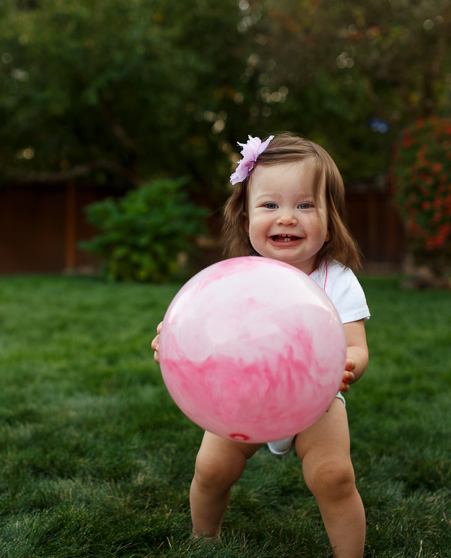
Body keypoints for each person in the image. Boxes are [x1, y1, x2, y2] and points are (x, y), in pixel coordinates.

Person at [151, 133, 370, 557]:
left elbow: (356, 347)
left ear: (330, 220)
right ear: (245, 216)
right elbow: (200, 330)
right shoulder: (231, 280)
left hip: (317, 402)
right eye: (270, 205)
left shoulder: (335, 280)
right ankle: (204, 540)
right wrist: (174, 344)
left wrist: (349, 365)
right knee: (212, 469)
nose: (287, 217)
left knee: (334, 477)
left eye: (305, 205)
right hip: (240, 400)